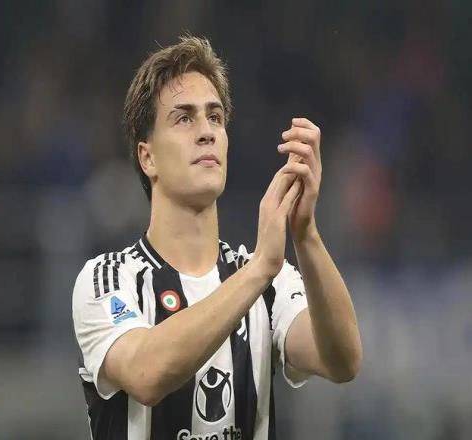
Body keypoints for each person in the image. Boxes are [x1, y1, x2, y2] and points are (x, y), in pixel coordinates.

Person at [72, 35, 362, 440]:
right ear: (147, 157)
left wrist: (306, 233)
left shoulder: (270, 281)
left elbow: (343, 361)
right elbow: (146, 374)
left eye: (215, 117)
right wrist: (259, 270)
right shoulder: (109, 279)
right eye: (184, 118)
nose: (206, 131)